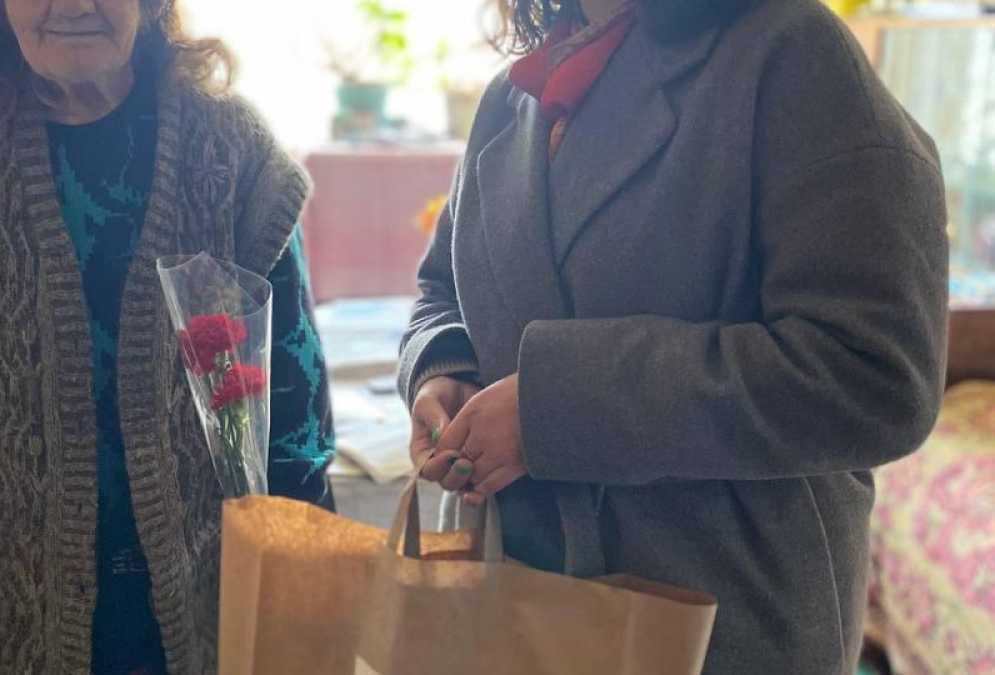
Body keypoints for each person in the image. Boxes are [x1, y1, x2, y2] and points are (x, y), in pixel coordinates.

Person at [400, 0, 947, 672]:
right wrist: (443, 367)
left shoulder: (792, 54)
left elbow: (874, 375)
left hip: (725, 625)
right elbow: (442, 289)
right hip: (518, 603)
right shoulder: (511, 99)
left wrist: (555, 408)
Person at [0, 1, 334, 673]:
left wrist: (300, 544)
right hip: (13, 588)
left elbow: (292, 366)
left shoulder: (229, 142)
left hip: (202, 583)